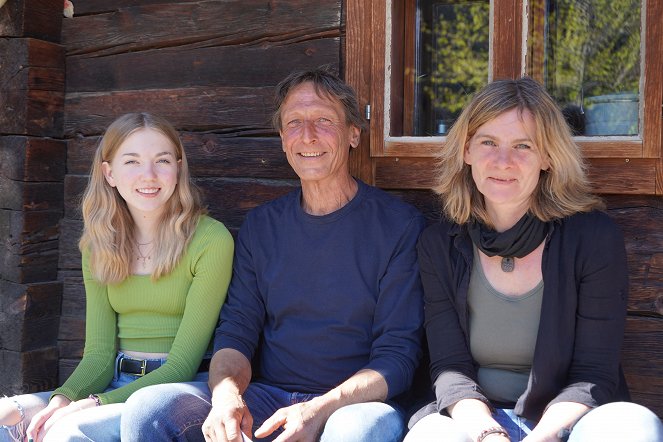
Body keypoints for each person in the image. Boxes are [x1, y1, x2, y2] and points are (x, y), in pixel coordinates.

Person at [121, 68, 426, 442]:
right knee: (149, 409)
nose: (308, 135)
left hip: (353, 407)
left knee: (354, 432)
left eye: (324, 121)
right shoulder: (262, 226)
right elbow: (236, 332)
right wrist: (226, 397)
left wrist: (319, 409)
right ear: (282, 139)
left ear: (352, 134)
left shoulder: (399, 226)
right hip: (269, 397)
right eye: (294, 122)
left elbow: (397, 359)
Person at [403, 77, 663, 442]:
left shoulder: (592, 239)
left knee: (634, 427)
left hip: (569, 418)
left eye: (522, 145)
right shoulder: (440, 244)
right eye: (488, 142)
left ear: (547, 157)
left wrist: (540, 437)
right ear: (466, 151)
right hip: (473, 416)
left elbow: (592, 373)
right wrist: (488, 433)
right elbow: (450, 367)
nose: (503, 161)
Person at [0, 113, 234, 442]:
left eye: (162, 160)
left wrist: (92, 404)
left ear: (178, 168)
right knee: (5, 420)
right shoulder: (99, 245)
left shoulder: (211, 240)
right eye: (132, 162)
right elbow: (98, 355)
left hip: (178, 390)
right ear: (109, 173)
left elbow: (182, 364)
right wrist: (62, 399)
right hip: (114, 382)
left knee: (67, 433)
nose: (149, 175)